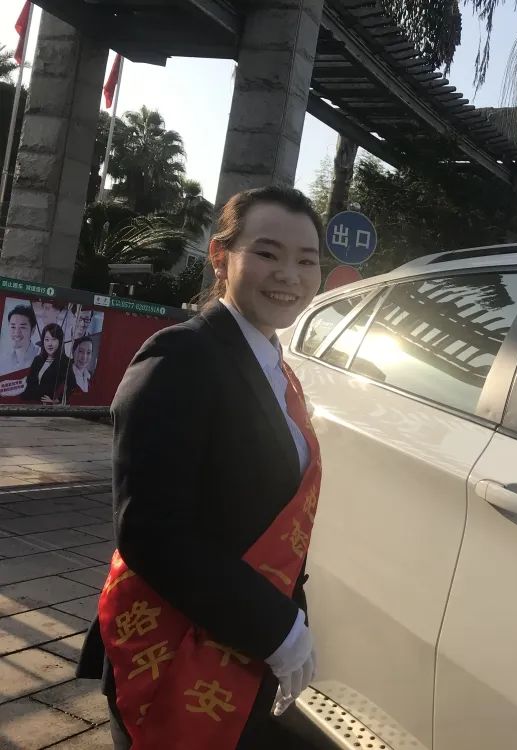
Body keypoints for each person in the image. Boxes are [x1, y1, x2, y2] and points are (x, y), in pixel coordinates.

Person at [76, 186, 325, 749]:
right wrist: (277, 629)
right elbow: (150, 530)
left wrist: (286, 621)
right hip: (173, 647)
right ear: (220, 256)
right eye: (267, 253)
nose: (289, 274)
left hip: (239, 643)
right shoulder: (180, 356)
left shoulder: (272, 364)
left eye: (306, 260)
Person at [23, 323, 70, 404]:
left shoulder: (65, 362)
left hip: (50, 408)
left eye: (54, 339)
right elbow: (29, 383)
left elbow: (71, 386)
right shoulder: (37, 359)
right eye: (47, 339)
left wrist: (56, 401)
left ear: (60, 341)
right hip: (31, 404)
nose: (50, 344)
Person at [1, 304, 36, 376]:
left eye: (22, 327)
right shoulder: (3, 359)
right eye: (13, 327)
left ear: (32, 330)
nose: (17, 333)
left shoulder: (42, 356)